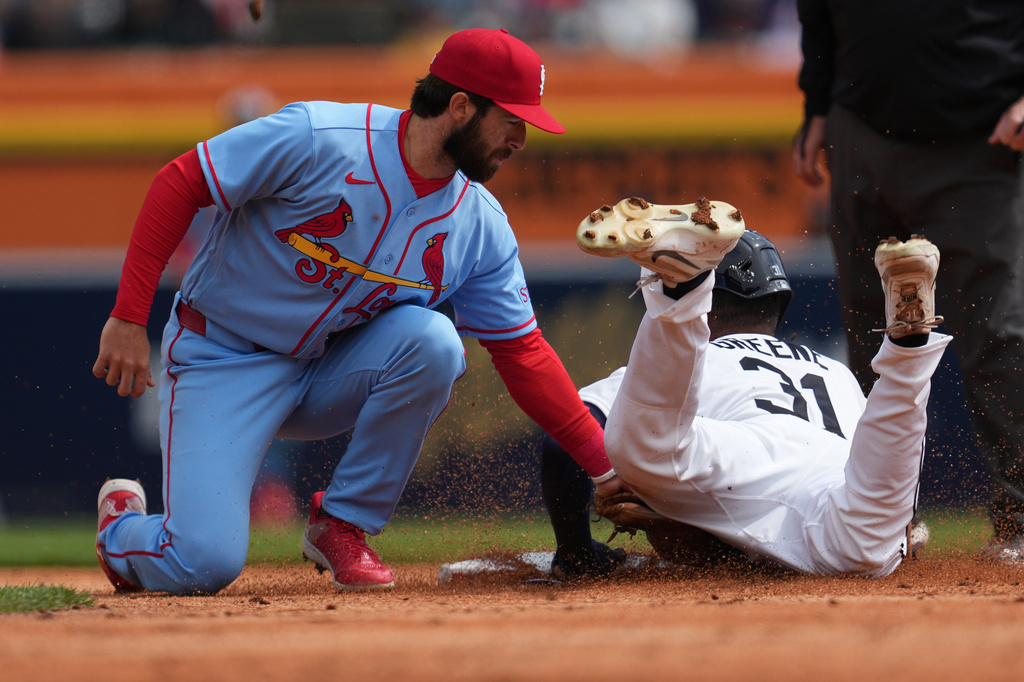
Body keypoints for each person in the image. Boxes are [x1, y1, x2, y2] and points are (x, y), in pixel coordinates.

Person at [92, 28, 621, 595]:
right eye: (512, 120)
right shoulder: (321, 137)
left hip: (327, 370)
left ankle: (342, 525)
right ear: (461, 107)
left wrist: (606, 470)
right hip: (222, 356)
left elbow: (522, 352)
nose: (520, 138)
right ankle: (122, 528)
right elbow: (181, 181)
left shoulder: (479, 224)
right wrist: (128, 316)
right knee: (200, 563)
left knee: (435, 343)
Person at [541, 196, 948, 578]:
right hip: (840, 487)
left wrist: (580, 548)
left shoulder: (710, 362)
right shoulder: (834, 371)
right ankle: (907, 351)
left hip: (739, 451)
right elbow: (882, 461)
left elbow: (563, 444)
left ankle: (681, 295)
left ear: (713, 302)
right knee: (868, 536)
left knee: (647, 445)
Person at [791, 1, 1024, 562]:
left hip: (982, 134)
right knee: (870, 335)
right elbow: (817, 11)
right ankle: (882, 522)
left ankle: (1020, 517)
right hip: (860, 122)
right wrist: (817, 104)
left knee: (999, 332)